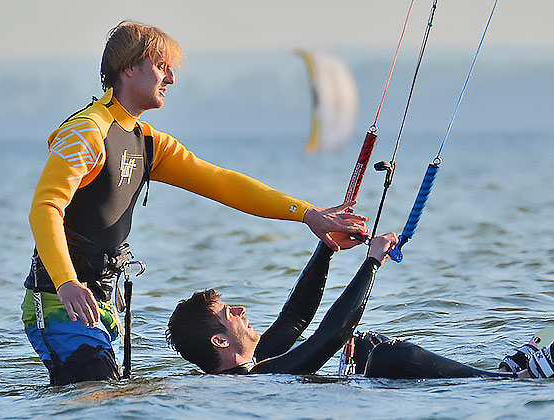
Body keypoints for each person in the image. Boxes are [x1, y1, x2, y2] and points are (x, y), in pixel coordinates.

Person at [20, 20, 368, 386]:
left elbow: (223, 182)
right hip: (59, 301)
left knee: (113, 397)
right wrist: (66, 283)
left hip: (100, 304)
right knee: (97, 401)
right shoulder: (87, 131)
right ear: (128, 68)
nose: (170, 78)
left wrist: (307, 214)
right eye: (160, 66)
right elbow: (45, 208)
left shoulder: (148, 143)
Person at [166, 234, 554, 379]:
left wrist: (325, 249)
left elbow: (295, 317)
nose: (239, 310)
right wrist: (372, 261)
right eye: (227, 313)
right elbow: (329, 335)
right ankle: (510, 379)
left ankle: (500, 373)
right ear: (220, 340)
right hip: (374, 382)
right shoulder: (253, 381)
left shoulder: (255, 363)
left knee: (369, 347)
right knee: (386, 355)